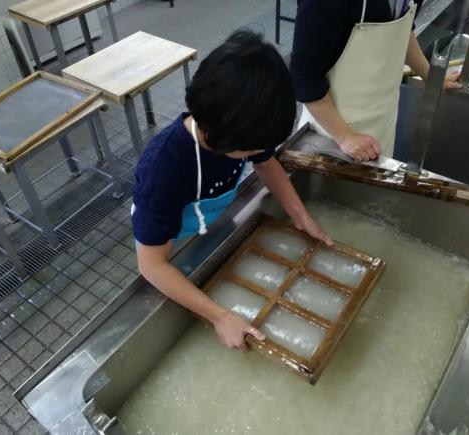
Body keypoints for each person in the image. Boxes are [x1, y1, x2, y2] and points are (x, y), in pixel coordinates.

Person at [132, 30, 332, 352]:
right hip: (169, 244)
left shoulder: (242, 130)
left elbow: (267, 164)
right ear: (225, 137)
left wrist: (301, 216)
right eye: (251, 149)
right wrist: (220, 316)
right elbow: (152, 265)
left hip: (208, 225)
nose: (258, 153)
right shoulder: (164, 168)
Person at [290, 0, 462, 162]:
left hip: (384, 124)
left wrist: (430, 75)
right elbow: (303, 76)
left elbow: (402, 31)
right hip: (331, 136)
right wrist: (344, 136)